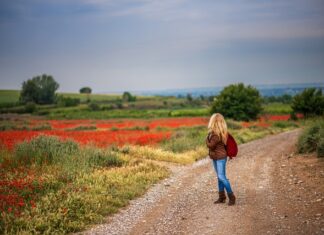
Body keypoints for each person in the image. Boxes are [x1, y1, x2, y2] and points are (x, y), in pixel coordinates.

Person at [206, 113, 236, 206]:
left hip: (219, 158)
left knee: (222, 177)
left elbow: (210, 145)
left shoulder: (215, 134)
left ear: (213, 122)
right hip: (218, 157)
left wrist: (207, 138)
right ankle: (222, 197)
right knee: (220, 177)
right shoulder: (222, 132)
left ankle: (232, 197)